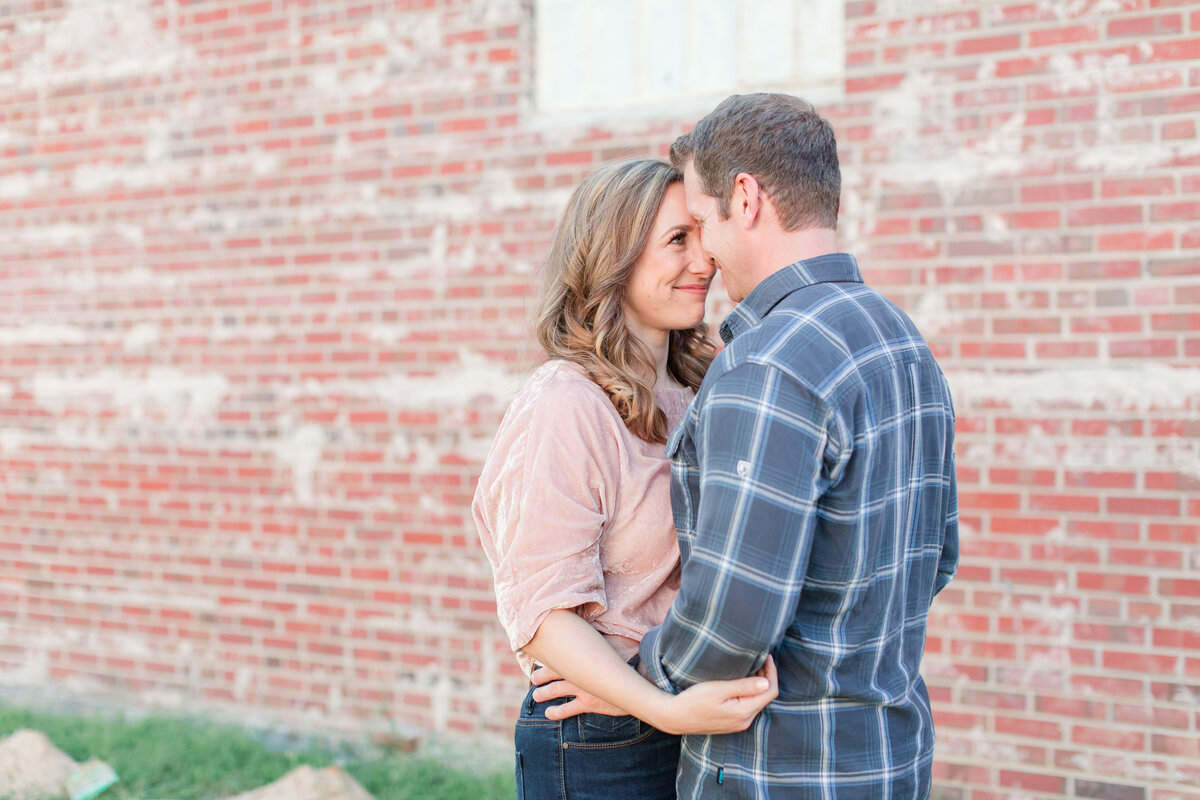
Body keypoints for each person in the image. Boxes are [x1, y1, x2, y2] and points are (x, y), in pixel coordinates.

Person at [541, 94, 960, 797]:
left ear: (745, 197)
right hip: (890, 756)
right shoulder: (899, 340)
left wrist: (633, 684)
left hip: (777, 766)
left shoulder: (768, 363)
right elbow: (938, 556)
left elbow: (734, 617)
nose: (702, 251)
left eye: (700, 223)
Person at [472, 158, 778, 800]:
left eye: (702, 234)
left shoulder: (705, 385)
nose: (705, 260)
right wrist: (658, 706)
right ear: (614, 257)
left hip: (695, 716)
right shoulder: (567, 401)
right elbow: (542, 609)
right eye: (677, 240)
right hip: (603, 736)